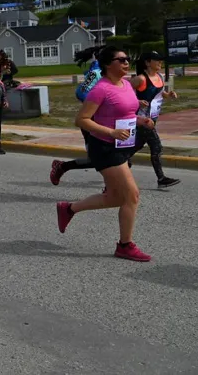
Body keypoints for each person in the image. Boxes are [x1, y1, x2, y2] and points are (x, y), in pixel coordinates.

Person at [56, 46, 153, 262]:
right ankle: (125, 245)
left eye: (128, 58)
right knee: (132, 195)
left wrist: (141, 120)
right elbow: (81, 120)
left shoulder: (126, 84)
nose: (127, 63)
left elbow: (127, 113)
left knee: (117, 197)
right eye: (122, 60)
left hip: (122, 146)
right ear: (109, 65)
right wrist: (111, 132)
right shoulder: (101, 89)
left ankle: (69, 208)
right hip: (105, 147)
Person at [50, 46, 103, 184]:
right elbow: (81, 92)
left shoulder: (111, 74)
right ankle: (62, 166)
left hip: (109, 121)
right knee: (100, 159)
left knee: (116, 159)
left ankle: (112, 186)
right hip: (93, 120)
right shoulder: (96, 73)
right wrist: (97, 107)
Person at [130, 51, 180, 189]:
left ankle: (120, 161)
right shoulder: (141, 79)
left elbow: (159, 93)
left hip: (153, 117)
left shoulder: (159, 76)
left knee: (137, 145)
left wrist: (168, 94)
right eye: (156, 60)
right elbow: (123, 93)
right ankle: (161, 179)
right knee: (156, 146)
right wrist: (137, 101)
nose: (160, 63)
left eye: (161, 60)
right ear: (147, 62)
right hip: (142, 119)